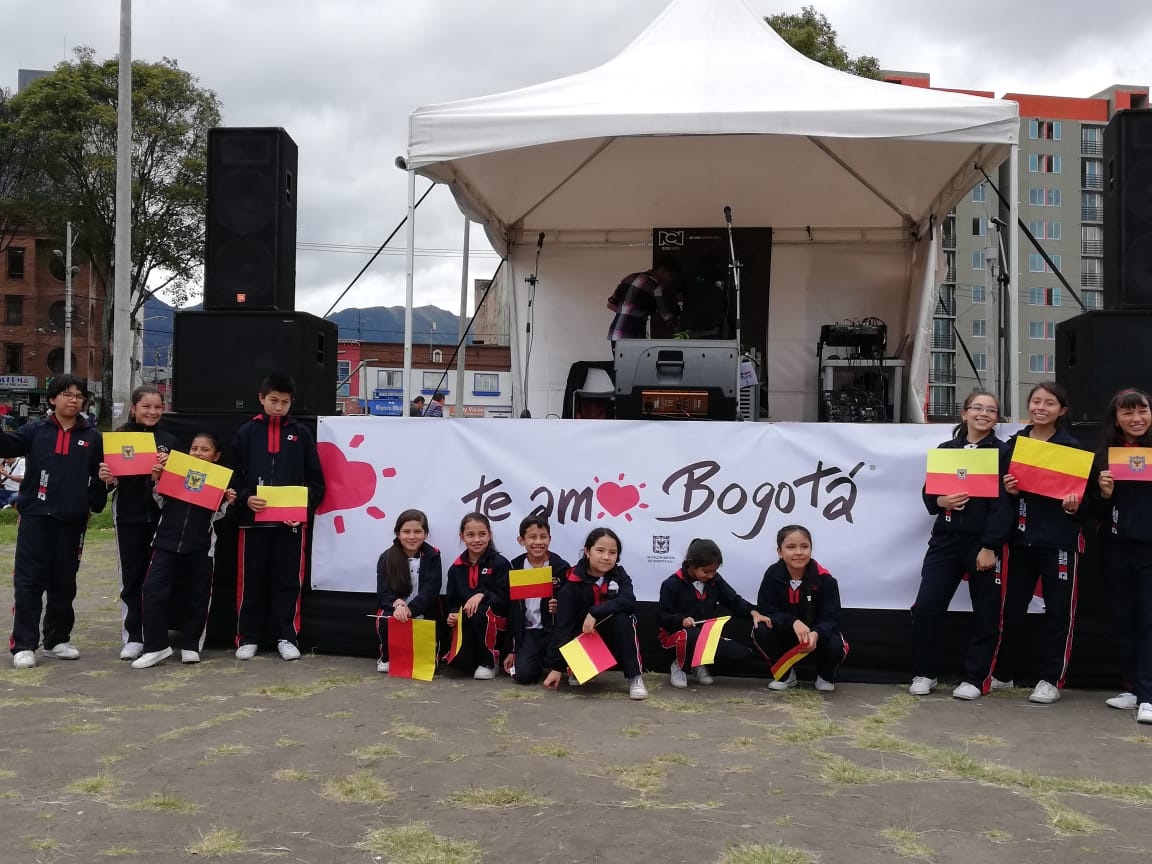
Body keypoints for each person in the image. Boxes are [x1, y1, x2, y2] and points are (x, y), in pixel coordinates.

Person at [909, 390, 1012, 700]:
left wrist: (990, 545)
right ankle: (924, 672)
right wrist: (941, 500)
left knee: (986, 614)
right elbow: (930, 496)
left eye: (991, 410)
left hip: (983, 544)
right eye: (977, 408)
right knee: (926, 607)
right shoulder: (946, 449)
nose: (983, 413)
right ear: (964, 413)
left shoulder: (1003, 453)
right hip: (946, 541)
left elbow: (1004, 505)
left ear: (997, 418)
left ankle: (975, 676)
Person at [0, 374, 107, 669]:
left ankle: (57, 640)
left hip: (72, 520)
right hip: (35, 517)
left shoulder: (92, 436)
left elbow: (99, 479)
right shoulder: (35, 431)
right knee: (29, 582)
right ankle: (23, 644)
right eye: (67, 394)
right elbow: (6, 446)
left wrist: (98, 492)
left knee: (64, 583)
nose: (73, 400)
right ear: (52, 399)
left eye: (78, 395)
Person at [995, 382, 1085, 704]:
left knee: (1058, 613)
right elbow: (994, 494)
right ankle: (1003, 674)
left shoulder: (1071, 449)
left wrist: (1075, 505)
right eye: (1035, 401)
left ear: (1061, 411)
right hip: (1019, 541)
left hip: (1059, 542)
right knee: (1011, 611)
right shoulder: (1012, 445)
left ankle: (1051, 679)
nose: (1040, 407)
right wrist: (1009, 489)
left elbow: (1086, 505)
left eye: (1049, 403)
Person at [232, 373, 326, 661]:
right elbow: (232, 475)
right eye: (273, 400)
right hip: (252, 522)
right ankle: (248, 637)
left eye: (285, 402)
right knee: (251, 580)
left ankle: (287, 635)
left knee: (288, 581)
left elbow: (316, 481)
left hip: (291, 526)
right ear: (261, 399)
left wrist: (300, 512)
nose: (278, 407)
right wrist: (246, 497)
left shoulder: (302, 434)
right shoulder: (246, 433)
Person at [132, 433, 236, 669]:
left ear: (216, 456)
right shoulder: (175, 473)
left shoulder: (220, 482)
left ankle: (191, 644)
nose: (198, 453)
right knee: (152, 591)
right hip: (166, 542)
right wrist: (157, 480)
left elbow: (218, 516)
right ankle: (156, 646)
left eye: (205, 450)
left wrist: (227, 501)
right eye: (194, 448)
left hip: (200, 545)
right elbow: (159, 502)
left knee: (197, 595)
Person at [97, 385, 177, 661]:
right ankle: (133, 636)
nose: (153, 412)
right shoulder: (118, 438)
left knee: (157, 580)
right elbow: (107, 483)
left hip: (161, 519)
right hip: (129, 516)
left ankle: (157, 633)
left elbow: (181, 486)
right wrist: (106, 476)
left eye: (158, 407)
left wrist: (171, 467)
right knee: (131, 577)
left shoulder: (171, 440)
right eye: (146, 407)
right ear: (134, 408)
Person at [1088, 388, 1152, 724]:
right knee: (1123, 620)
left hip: (1149, 550)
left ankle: (1148, 694)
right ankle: (1131, 687)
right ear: (1116, 419)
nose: (1136, 419)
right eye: (1127, 413)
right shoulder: (1104, 456)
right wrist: (1104, 493)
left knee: (1148, 622)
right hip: (1115, 549)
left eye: (1142, 411)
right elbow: (1093, 509)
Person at [542, 527, 648, 700]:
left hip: (612, 640)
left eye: (612, 552)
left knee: (624, 618)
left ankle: (635, 677)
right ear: (587, 551)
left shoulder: (620, 575)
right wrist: (557, 668)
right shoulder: (571, 583)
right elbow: (563, 626)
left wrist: (595, 611)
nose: (606, 557)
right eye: (600, 550)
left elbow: (629, 601)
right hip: (583, 638)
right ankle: (576, 669)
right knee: (578, 677)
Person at [656, 538, 769, 688]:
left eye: (714, 571)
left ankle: (697, 663)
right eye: (706, 571)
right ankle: (680, 665)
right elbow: (661, 616)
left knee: (742, 654)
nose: (710, 575)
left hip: (704, 636)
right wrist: (681, 620)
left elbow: (733, 600)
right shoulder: (671, 584)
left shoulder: (715, 581)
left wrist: (752, 612)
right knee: (692, 634)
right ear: (691, 564)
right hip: (675, 637)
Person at [754, 526, 847, 692]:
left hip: (815, 639)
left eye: (804, 546)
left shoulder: (826, 580)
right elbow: (766, 609)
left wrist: (816, 633)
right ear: (780, 552)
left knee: (836, 643)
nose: (798, 552)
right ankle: (786, 676)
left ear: (811, 549)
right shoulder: (772, 575)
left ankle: (825, 676)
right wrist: (793, 622)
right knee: (760, 628)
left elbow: (831, 617)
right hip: (786, 634)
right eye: (791, 547)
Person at [503, 515, 571, 685]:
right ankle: (536, 660)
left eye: (543, 537)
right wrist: (512, 650)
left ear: (550, 539)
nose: (538, 542)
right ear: (521, 540)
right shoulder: (515, 567)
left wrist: (560, 608)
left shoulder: (561, 567)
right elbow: (511, 612)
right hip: (529, 632)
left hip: (555, 630)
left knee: (574, 670)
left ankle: (561, 665)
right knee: (523, 676)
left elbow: (572, 604)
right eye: (532, 537)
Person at [443, 512, 510, 679]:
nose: (476, 540)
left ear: (490, 535)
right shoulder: (456, 568)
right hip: (467, 621)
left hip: (495, 622)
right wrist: (452, 613)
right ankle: (469, 657)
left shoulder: (501, 564)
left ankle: (490, 662)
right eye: (470, 535)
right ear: (462, 537)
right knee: (459, 666)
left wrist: (482, 595)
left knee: (480, 610)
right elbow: (451, 601)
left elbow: (506, 600)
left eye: (482, 534)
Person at [375, 509, 442, 673]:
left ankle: (431, 653)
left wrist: (411, 609)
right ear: (398, 534)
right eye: (406, 531)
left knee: (427, 666)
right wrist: (396, 604)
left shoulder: (433, 556)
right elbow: (382, 592)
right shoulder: (386, 557)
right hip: (397, 610)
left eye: (417, 531)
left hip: (422, 609)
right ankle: (387, 656)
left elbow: (431, 590)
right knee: (384, 618)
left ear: (425, 534)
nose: (412, 536)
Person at [606, 254, 681, 346]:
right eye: (670, 275)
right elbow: (667, 317)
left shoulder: (628, 278)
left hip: (615, 333)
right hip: (633, 335)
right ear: (662, 270)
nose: (670, 280)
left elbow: (610, 305)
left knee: (621, 361)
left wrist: (629, 311)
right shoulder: (656, 288)